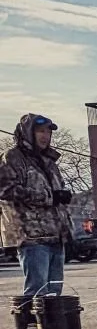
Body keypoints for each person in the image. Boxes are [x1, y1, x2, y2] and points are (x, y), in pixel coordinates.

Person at [0, 113, 73, 301]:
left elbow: (58, 200)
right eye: (40, 131)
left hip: (56, 237)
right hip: (32, 237)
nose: (45, 136)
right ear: (27, 133)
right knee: (36, 294)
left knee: (54, 293)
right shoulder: (12, 157)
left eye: (48, 132)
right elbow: (6, 190)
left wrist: (68, 233)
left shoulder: (50, 162)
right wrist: (48, 197)